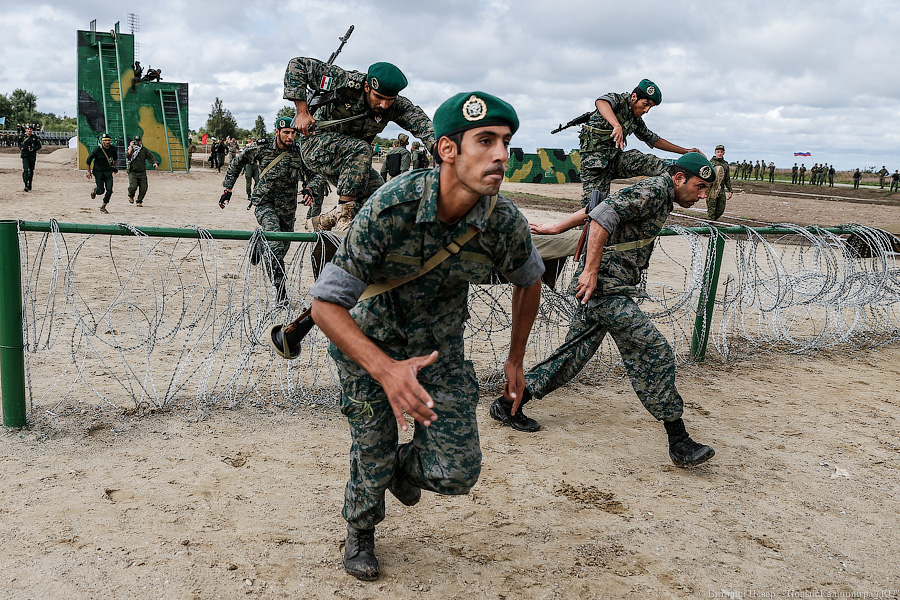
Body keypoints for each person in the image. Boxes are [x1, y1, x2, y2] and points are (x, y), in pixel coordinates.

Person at [307, 92, 543, 581]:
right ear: (447, 150)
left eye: (505, 142)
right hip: (367, 345)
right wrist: (386, 370)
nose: (501, 154)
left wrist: (516, 358)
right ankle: (362, 527)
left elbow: (529, 278)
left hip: (439, 352)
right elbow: (326, 305)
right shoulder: (391, 209)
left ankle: (394, 470)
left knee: (456, 471)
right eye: (485, 140)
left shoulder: (503, 222)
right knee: (372, 442)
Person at [490, 152, 717, 470]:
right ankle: (679, 440)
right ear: (680, 179)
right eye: (701, 186)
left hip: (610, 286)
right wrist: (591, 270)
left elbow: (599, 205)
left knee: (571, 357)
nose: (703, 194)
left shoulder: (660, 194)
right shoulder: (655, 190)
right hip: (606, 289)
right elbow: (603, 216)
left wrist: (558, 226)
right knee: (655, 350)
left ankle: (508, 404)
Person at [284, 58, 434, 231]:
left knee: (380, 196)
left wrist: (443, 150)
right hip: (316, 145)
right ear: (367, 87)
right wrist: (301, 112)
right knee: (362, 148)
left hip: (350, 163)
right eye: (378, 97)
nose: (384, 105)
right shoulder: (346, 82)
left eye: (389, 99)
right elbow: (298, 65)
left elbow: (424, 126)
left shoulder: (397, 106)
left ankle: (326, 220)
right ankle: (344, 218)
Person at [221, 117, 328, 302]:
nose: (290, 137)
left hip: (287, 208)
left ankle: (260, 244)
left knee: (281, 247)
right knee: (276, 247)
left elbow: (317, 174)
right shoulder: (262, 147)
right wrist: (228, 189)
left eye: (293, 133)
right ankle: (280, 293)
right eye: (286, 132)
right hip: (264, 203)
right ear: (277, 132)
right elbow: (238, 162)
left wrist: (311, 188)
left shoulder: (300, 151)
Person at [576, 79, 700, 206]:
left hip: (615, 160)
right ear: (634, 97)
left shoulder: (635, 120)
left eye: (650, 107)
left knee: (648, 161)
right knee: (593, 208)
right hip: (595, 165)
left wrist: (685, 151)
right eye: (646, 104)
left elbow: (654, 140)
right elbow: (601, 102)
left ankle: (684, 177)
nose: (646, 110)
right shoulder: (618, 100)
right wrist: (616, 125)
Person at [86, 133, 119, 213]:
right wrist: (88, 172)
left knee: (110, 190)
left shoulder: (113, 149)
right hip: (98, 172)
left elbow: (115, 159)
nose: (107, 142)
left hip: (108, 172)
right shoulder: (97, 150)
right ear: (102, 141)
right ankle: (95, 190)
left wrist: (114, 167)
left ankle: (103, 206)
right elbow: (88, 161)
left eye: (108, 140)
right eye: (105, 140)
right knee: (100, 191)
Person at [126, 136, 159, 206]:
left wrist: (155, 163)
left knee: (143, 188)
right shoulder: (130, 149)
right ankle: (131, 196)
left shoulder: (143, 150)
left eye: (138, 141)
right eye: (135, 141)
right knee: (133, 187)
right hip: (133, 172)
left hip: (142, 172)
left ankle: (139, 201)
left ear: (140, 141)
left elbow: (151, 156)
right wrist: (131, 147)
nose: (137, 143)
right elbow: (127, 155)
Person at [706, 144, 732, 221]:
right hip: (712, 189)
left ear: (723, 153)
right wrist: (706, 191)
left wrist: (730, 190)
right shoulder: (710, 163)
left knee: (721, 209)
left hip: (721, 189)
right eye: (718, 152)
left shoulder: (725, 164)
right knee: (711, 210)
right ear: (715, 153)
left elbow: (727, 178)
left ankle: (711, 222)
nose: (720, 153)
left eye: (721, 152)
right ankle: (709, 227)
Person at [18, 125, 42, 192]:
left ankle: (30, 183)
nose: (29, 130)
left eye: (30, 129)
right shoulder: (23, 137)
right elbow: (19, 143)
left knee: (31, 170)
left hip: (32, 156)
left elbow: (39, 146)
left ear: (32, 130)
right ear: (26, 130)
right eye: (28, 129)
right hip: (25, 155)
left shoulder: (35, 138)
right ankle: (26, 184)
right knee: (25, 169)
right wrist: (20, 147)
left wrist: (33, 149)